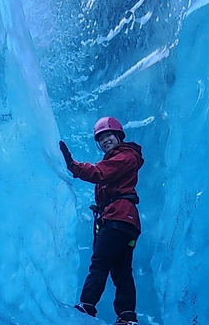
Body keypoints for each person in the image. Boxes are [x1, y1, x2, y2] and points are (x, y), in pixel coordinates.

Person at [59, 116, 144, 325]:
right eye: (101, 138)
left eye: (108, 136)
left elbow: (100, 173)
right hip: (124, 221)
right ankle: (127, 317)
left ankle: (87, 306)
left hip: (119, 218)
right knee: (121, 270)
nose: (105, 140)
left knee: (100, 262)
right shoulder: (119, 159)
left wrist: (72, 165)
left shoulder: (126, 157)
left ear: (118, 136)